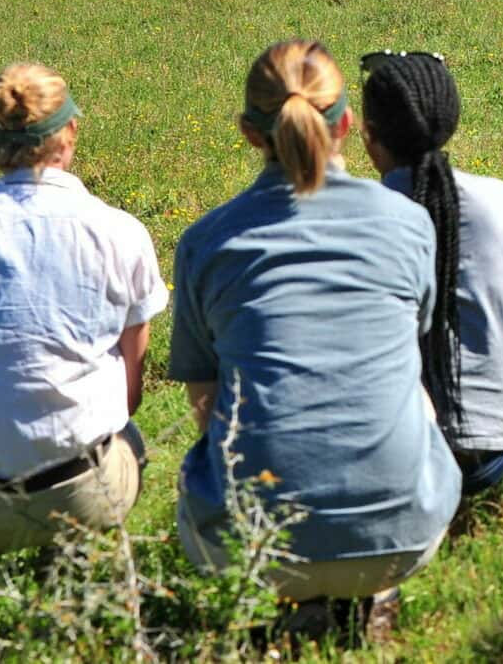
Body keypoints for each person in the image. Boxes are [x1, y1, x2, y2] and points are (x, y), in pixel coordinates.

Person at [171, 40, 460, 637]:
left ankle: (296, 598)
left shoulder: (207, 241)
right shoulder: (410, 222)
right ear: (348, 124)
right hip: (402, 535)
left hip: (254, 548)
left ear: (249, 133)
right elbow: (412, 346)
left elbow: (205, 405)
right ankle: (372, 588)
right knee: (413, 393)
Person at [0, 62, 166, 558]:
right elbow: (131, 393)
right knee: (128, 435)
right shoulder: (120, 231)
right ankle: (79, 553)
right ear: (71, 133)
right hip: (82, 498)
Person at [359, 50, 503, 498]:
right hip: (499, 450)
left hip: (404, 459)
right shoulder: (502, 198)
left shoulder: (358, 216)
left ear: (368, 135)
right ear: (451, 121)